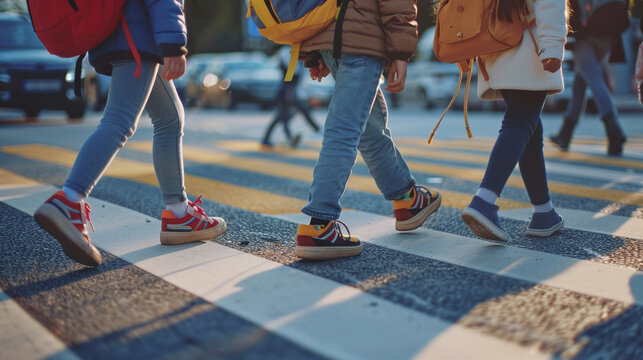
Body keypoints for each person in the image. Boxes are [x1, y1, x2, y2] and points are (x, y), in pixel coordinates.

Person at [33, 0, 226, 267]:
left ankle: (179, 214)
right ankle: (69, 200)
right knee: (119, 121)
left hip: (126, 32)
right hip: (138, 35)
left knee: (170, 119)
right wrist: (174, 44)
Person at [294, 0, 441, 260]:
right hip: (363, 41)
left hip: (336, 40)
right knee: (345, 130)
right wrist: (401, 52)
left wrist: (317, 49)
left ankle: (407, 200)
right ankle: (319, 226)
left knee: (368, 128)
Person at [461, 0, 566, 241]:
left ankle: (544, 212)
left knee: (529, 129)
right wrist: (552, 48)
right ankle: (484, 201)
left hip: (496, 50)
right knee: (519, 123)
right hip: (529, 50)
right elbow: (550, 4)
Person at [550, 0, 628, 156]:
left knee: (594, 78)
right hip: (607, 38)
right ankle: (565, 135)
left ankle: (615, 133)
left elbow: (572, 9)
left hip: (585, 37)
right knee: (581, 82)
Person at [261, 46, 320, 148]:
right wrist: (289, 91)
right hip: (288, 89)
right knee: (284, 114)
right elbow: (292, 74)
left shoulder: (290, 51)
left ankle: (287, 138)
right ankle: (317, 130)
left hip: (290, 89)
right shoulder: (287, 51)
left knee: (284, 115)